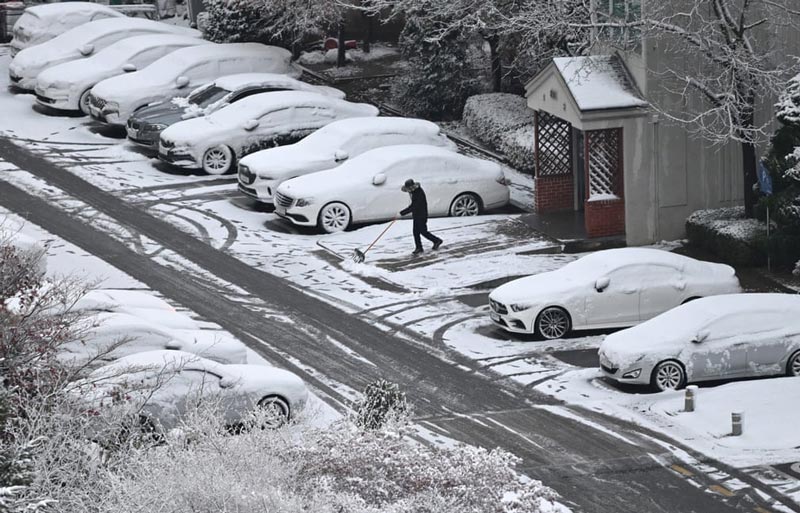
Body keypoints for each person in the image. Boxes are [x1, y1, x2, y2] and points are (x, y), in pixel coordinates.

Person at [400, 179, 442, 255]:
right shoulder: (414, 192)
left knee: (423, 231)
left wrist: (402, 213)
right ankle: (419, 247)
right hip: (416, 215)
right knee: (415, 232)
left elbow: (414, 206)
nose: (408, 191)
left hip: (422, 215)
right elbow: (413, 205)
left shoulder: (418, 193)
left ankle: (437, 240)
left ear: (412, 187)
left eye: (409, 189)